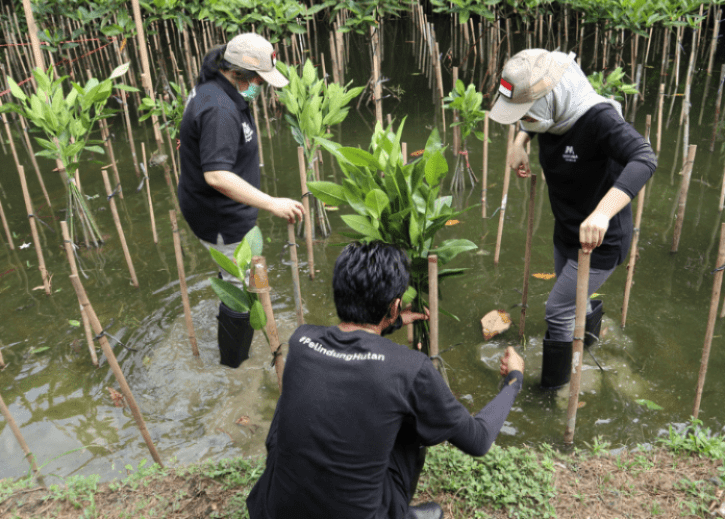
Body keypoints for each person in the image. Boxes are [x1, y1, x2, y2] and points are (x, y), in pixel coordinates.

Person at [246, 241, 525, 519]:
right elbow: (478, 440)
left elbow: (356, 346)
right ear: (394, 305)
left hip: (271, 511)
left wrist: (393, 322)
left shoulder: (302, 340)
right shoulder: (410, 368)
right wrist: (514, 379)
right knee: (412, 420)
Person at [488, 49, 657, 389]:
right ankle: (590, 341)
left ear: (552, 100)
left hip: (600, 239)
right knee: (573, 301)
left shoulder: (600, 120)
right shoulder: (554, 111)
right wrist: (520, 139)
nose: (526, 120)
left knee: (557, 310)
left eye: (527, 116)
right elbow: (535, 118)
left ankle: (551, 389)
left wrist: (603, 213)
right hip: (566, 227)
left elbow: (644, 158)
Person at [178, 32, 304, 368]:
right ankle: (233, 363)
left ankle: (240, 327)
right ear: (238, 75)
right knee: (239, 288)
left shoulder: (220, 82)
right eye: (259, 80)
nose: (260, 88)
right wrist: (272, 202)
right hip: (220, 214)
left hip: (228, 210)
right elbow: (216, 175)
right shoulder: (218, 109)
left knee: (242, 275)